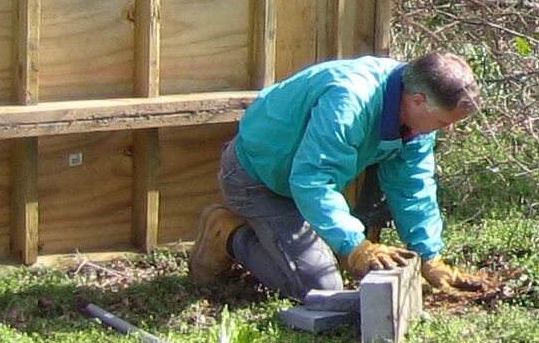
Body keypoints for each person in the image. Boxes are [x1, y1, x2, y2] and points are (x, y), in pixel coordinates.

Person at [187, 52, 493, 300]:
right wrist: (356, 246)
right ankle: (228, 233)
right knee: (319, 287)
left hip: (303, 181)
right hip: (258, 179)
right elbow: (312, 181)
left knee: (342, 260)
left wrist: (429, 256)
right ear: (417, 101)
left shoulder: (417, 105)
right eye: (443, 121)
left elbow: (412, 186)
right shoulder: (350, 101)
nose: (448, 129)